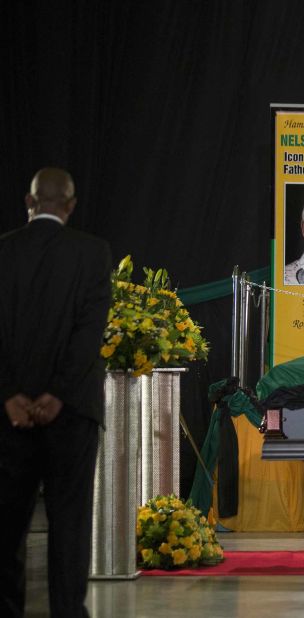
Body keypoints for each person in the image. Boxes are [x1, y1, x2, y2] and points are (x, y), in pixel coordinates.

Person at [0, 168, 112, 617]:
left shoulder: (3, 251)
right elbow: (89, 333)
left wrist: (10, 394)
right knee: (69, 524)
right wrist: (59, 395)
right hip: (72, 414)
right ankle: (68, 611)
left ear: (29, 203)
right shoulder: (93, 253)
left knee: (6, 526)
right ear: (70, 206)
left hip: (7, 417)